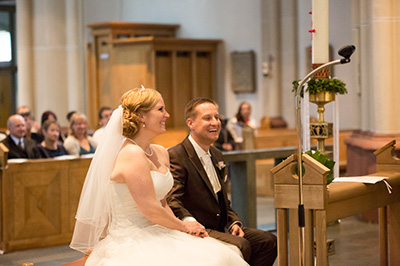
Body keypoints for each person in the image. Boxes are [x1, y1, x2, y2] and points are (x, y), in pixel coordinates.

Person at [70, 88, 248, 266]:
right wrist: (184, 226)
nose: (167, 115)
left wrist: (181, 230)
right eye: (160, 109)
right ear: (141, 116)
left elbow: (163, 203)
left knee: (220, 255)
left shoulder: (161, 152)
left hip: (160, 229)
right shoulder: (131, 153)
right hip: (132, 238)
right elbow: (149, 207)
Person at [167, 97, 277, 266]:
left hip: (220, 226)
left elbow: (222, 199)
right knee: (242, 245)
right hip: (198, 228)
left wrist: (233, 222)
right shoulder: (177, 155)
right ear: (191, 123)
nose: (215, 123)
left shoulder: (217, 154)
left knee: (268, 241)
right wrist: (190, 222)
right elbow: (173, 200)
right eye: (207, 118)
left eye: (217, 118)